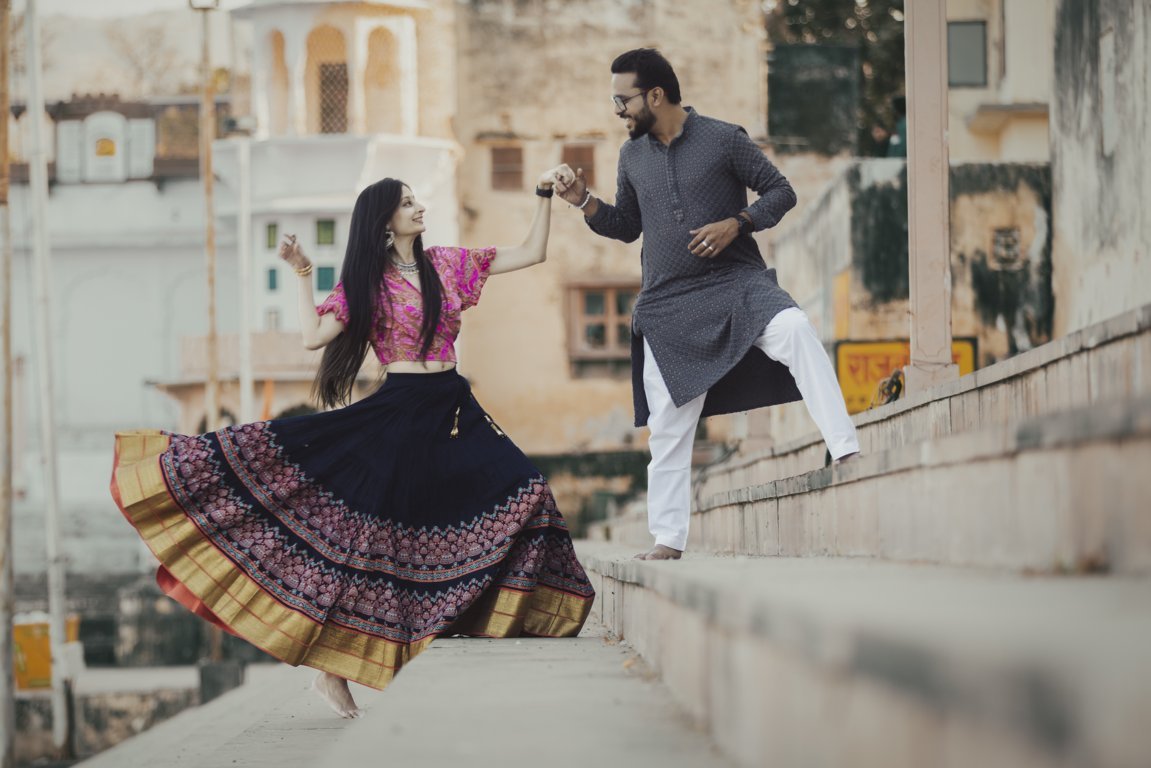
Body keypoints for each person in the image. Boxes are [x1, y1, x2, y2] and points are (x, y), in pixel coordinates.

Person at [110, 172, 595, 719]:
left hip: (452, 405)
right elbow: (314, 337)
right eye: (406, 203)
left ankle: (501, 614)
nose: (418, 208)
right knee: (375, 542)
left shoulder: (448, 263)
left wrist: (543, 196)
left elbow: (531, 253)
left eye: (416, 200)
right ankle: (333, 672)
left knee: (525, 490)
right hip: (401, 410)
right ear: (384, 219)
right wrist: (302, 275)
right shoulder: (367, 282)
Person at [553, 48, 860, 561]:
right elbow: (628, 227)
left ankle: (846, 451)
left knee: (795, 329)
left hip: (738, 282)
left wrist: (737, 223)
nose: (617, 110)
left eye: (622, 99)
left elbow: (780, 192)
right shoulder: (631, 157)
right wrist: (584, 201)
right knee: (669, 425)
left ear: (655, 94)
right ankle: (668, 539)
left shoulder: (723, 139)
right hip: (668, 302)